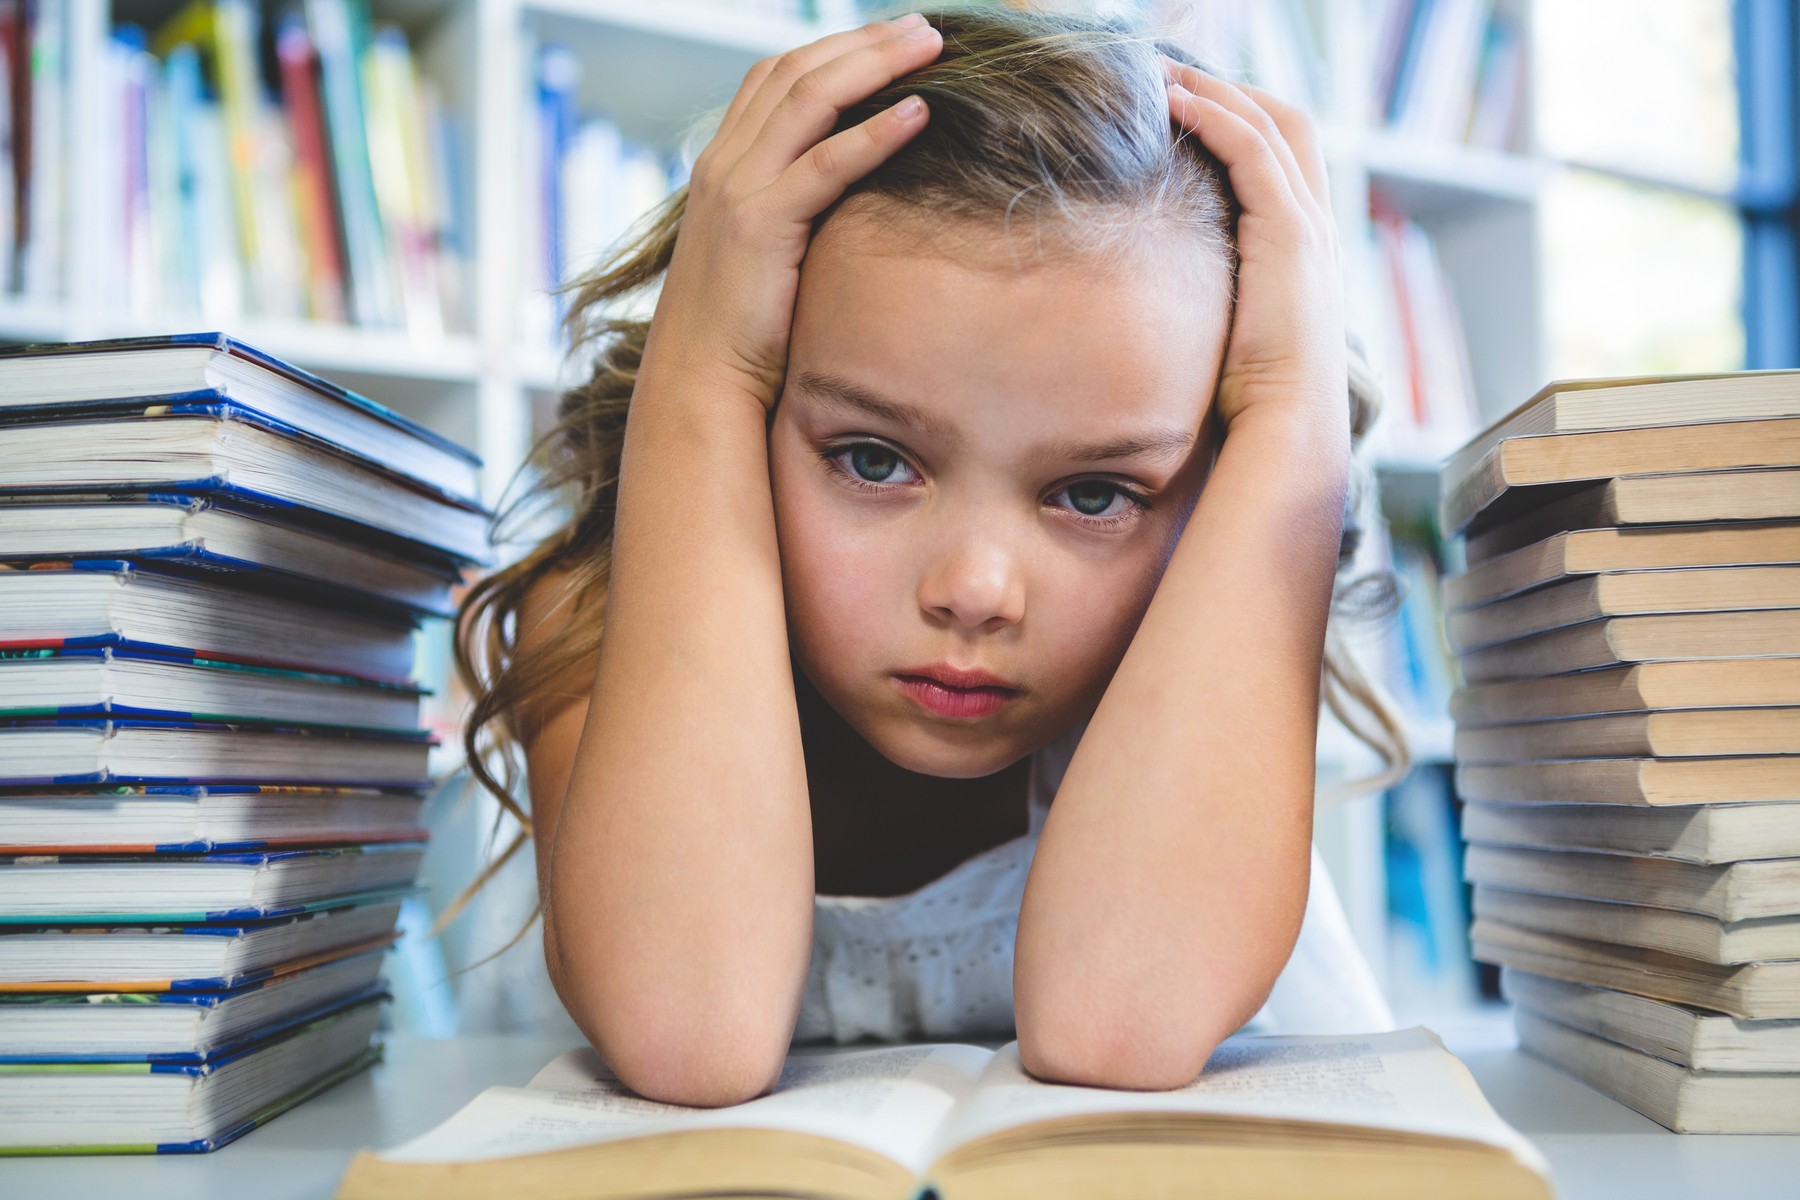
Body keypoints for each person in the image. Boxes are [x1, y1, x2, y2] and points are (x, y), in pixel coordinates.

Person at [453, 5, 1409, 1109]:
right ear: (752, 405)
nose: (973, 591)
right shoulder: (597, 611)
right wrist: (703, 363)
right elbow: (690, 1033)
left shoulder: (1185, 628)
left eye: (1094, 493)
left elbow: (1117, 1024)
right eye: (870, 460)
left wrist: (1295, 415)